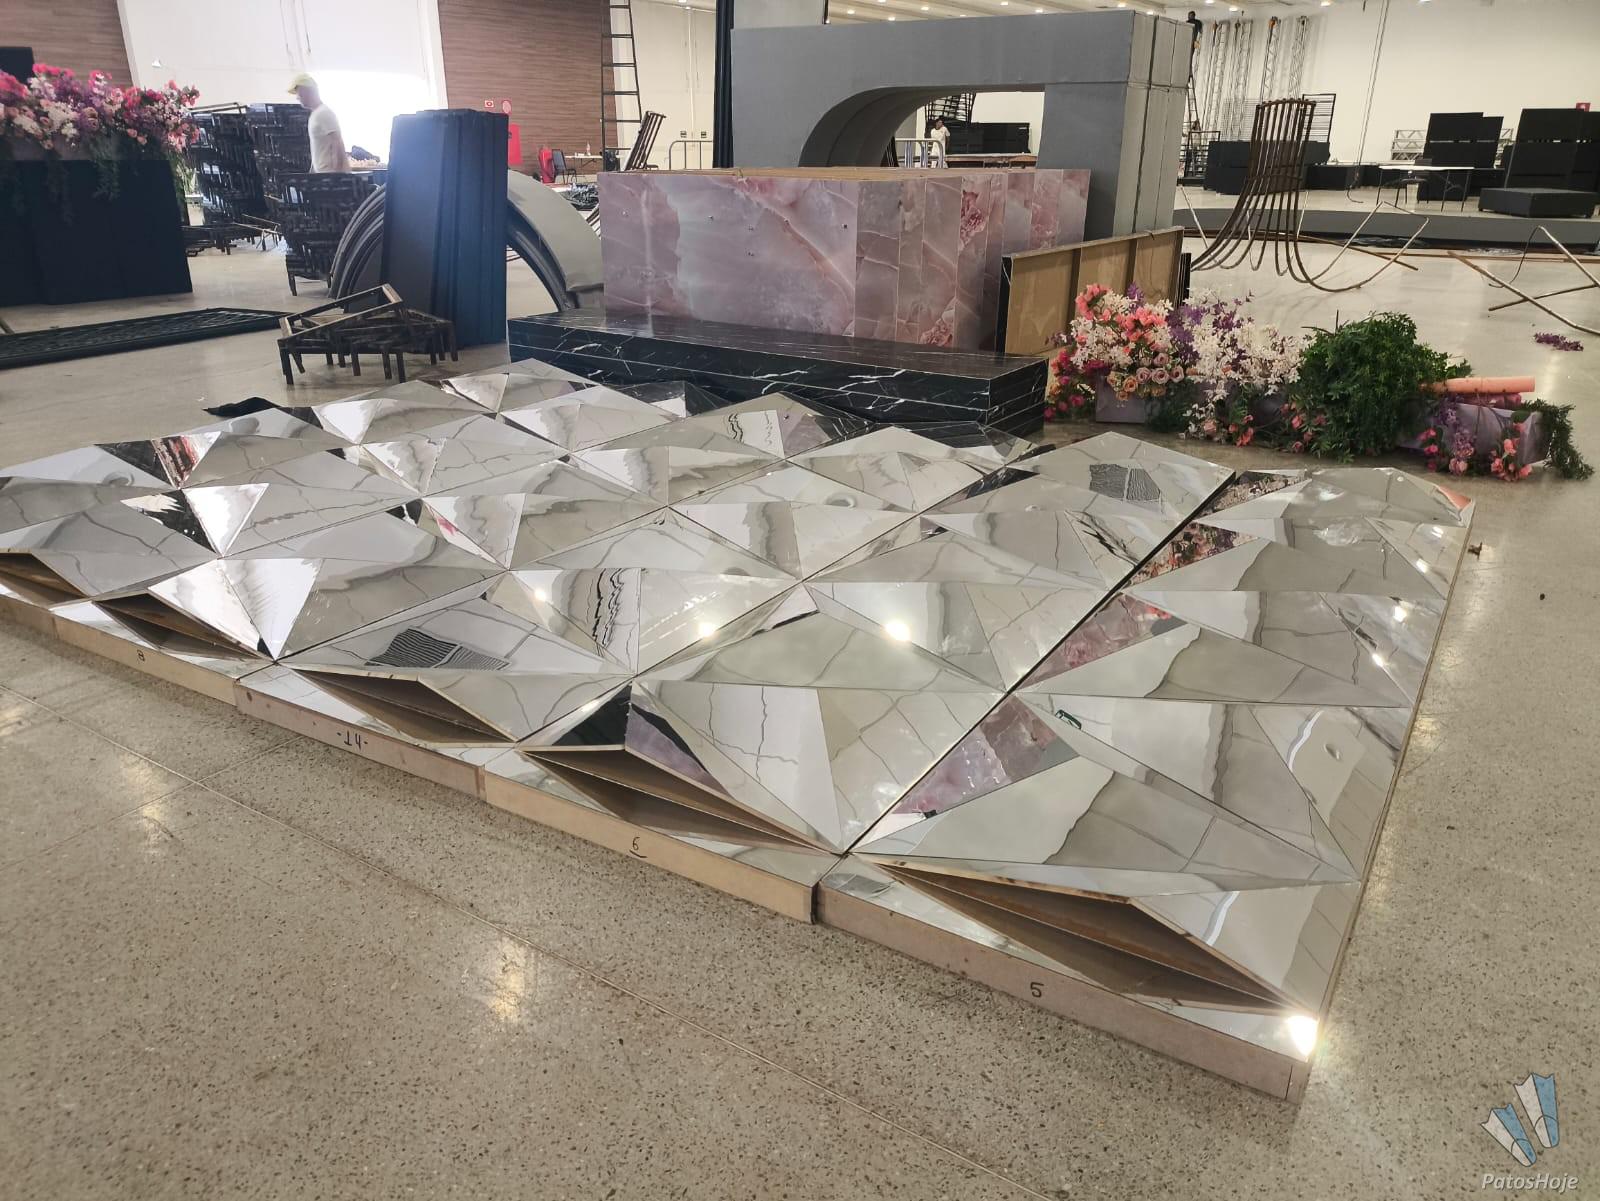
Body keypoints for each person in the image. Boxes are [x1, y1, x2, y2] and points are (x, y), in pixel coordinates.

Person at [288, 73, 350, 174]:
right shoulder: (315, 114)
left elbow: (337, 142)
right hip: (323, 175)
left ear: (306, 91)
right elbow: (317, 150)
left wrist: (337, 176)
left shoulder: (324, 113)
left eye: (298, 93)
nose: (297, 98)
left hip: (329, 174)